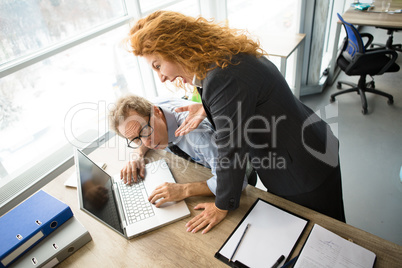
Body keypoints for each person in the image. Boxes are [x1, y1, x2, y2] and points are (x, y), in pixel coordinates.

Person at [127, 11, 346, 234]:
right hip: (310, 143)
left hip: (302, 169)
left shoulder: (222, 79)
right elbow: (247, 95)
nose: (161, 77)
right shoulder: (223, 57)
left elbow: (230, 153)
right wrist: (206, 108)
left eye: (157, 65)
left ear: (177, 49)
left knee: (329, 238)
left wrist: (222, 206)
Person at [109, 94, 249, 209]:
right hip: (200, 169)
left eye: (145, 131)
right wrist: (137, 155)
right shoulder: (152, 110)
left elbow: (236, 181)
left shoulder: (198, 135)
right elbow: (140, 133)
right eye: (135, 139)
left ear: (156, 111)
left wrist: (184, 190)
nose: (147, 143)